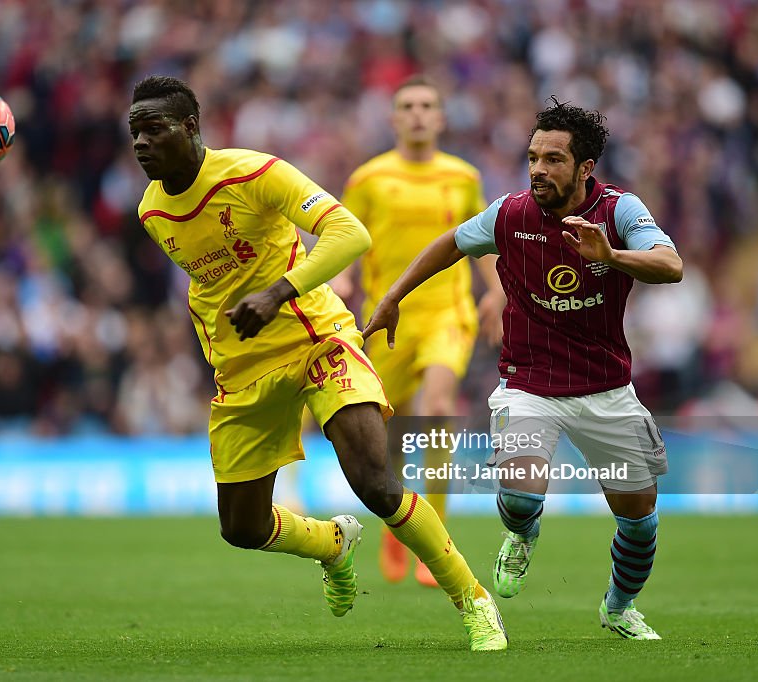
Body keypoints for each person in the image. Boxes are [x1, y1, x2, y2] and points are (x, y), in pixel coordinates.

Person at [128, 75, 507, 651]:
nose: (141, 143)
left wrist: (280, 291)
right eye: (135, 132)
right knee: (243, 529)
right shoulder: (152, 212)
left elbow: (348, 233)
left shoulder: (255, 172)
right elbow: (209, 284)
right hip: (243, 368)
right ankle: (332, 543)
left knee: (374, 482)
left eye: (154, 129)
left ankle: (473, 599)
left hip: (317, 339)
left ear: (191, 127)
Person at [365, 98, 682, 640]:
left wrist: (612, 258)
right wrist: (395, 295)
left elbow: (670, 265)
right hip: (529, 384)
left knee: (639, 516)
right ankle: (523, 532)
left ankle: (619, 606)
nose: (538, 169)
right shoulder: (511, 214)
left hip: (606, 388)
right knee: (519, 494)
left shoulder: (620, 212)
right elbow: (449, 244)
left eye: (554, 159)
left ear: (585, 168)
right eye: (533, 157)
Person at [337, 75, 506, 587]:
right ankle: (398, 522)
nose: (417, 113)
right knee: (386, 435)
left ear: (440, 117)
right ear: (393, 119)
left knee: (436, 407)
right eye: (407, 105)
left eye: (426, 105)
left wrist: (496, 290)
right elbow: (345, 235)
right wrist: (341, 278)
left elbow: (476, 240)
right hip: (387, 317)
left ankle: (438, 537)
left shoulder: (462, 176)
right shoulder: (369, 178)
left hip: (446, 313)